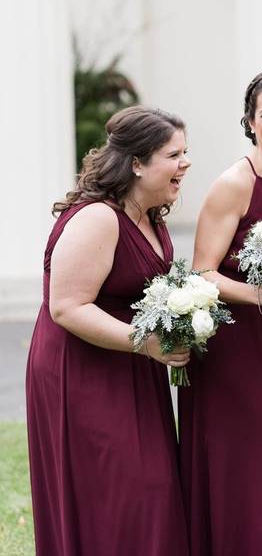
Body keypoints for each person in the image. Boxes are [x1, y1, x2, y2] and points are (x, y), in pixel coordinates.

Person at [26, 106, 192, 554]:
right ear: (137, 163)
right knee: (122, 490)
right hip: (83, 369)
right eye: (174, 154)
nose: (185, 163)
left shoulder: (152, 214)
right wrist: (146, 343)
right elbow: (67, 307)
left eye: (185, 152)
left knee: (152, 488)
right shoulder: (99, 217)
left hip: (132, 363)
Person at [177, 69, 262, 555]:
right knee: (249, 472)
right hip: (232, 352)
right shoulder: (233, 185)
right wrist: (256, 296)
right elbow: (202, 274)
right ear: (250, 122)